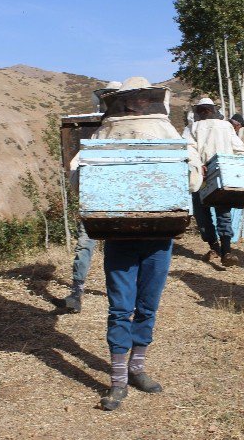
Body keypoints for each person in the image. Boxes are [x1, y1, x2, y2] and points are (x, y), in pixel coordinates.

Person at [91, 77, 202, 411]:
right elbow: (194, 179)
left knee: (147, 303)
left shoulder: (162, 132)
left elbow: (192, 178)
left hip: (157, 234)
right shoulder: (108, 131)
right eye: (133, 100)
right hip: (121, 235)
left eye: (141, 99)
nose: (137, 105)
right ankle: (118, 380)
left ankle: (136, 368)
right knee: (121, 307)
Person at [61, 81, 122, 313]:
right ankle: (77, 290)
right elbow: (77, 164)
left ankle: (117, 291)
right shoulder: (96, 129)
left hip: (112, 199)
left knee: (110, 246)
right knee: (86, 243)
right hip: (98, 197)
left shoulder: (121, 127)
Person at [184, 98, 244, 267]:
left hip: (202, 176)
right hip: (223, 174)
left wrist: (198, 164)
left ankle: (215, 247)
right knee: (223, 211)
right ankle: (226, 250)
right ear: (213, 110)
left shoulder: (191, 128)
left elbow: (186, 149)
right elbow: (239, 149)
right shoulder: (226, 126)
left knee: (202, 214)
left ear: (199, 111)